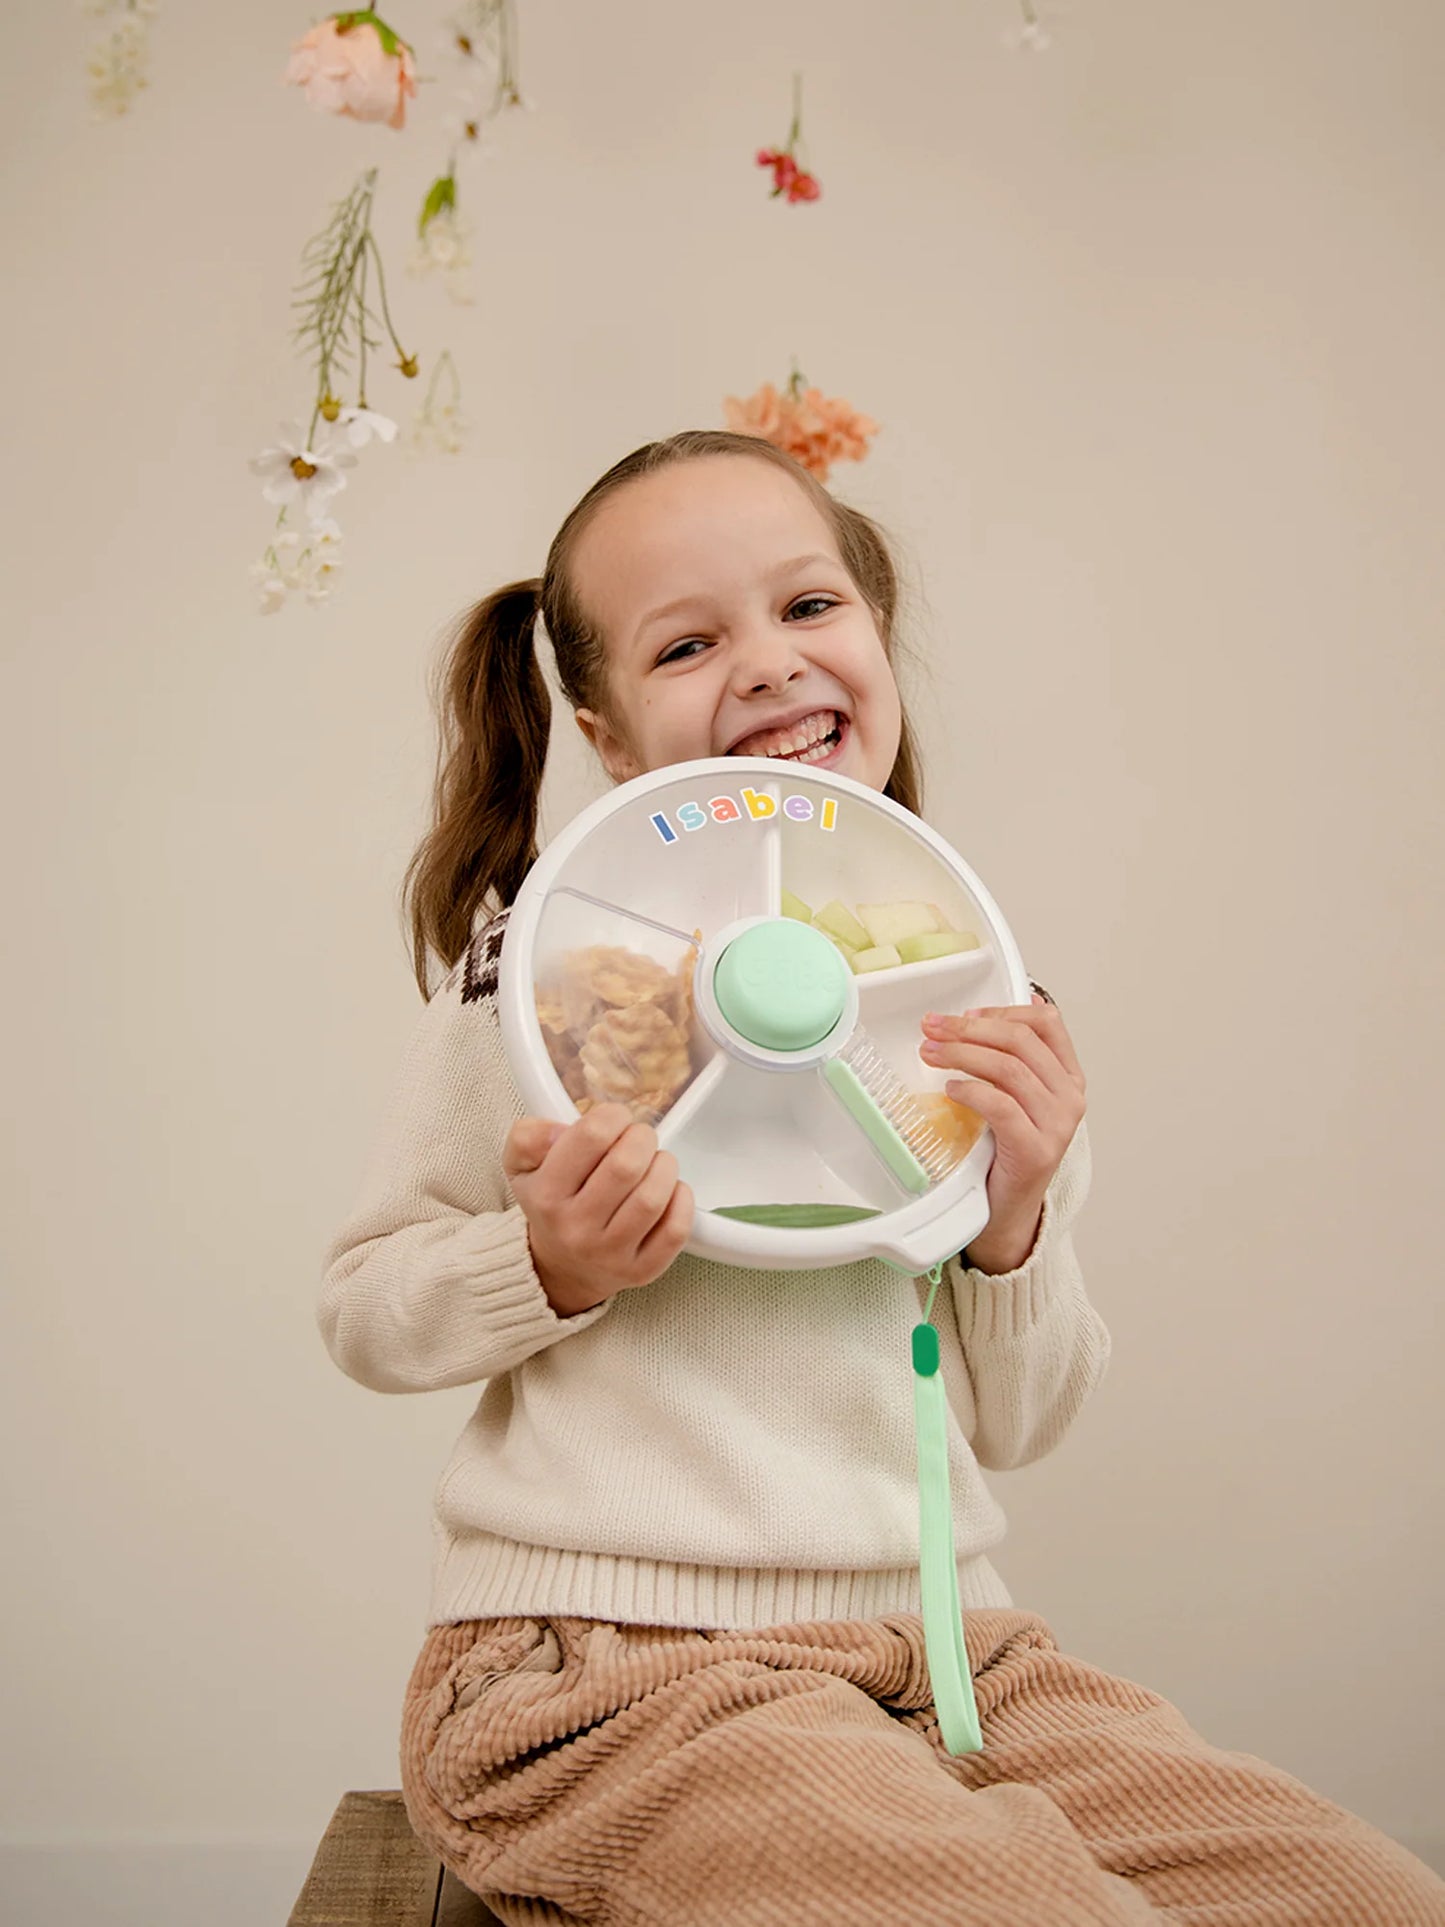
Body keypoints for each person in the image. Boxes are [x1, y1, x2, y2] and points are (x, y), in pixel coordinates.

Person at [317, 429, 1445, 1925]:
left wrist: (1013, 1223)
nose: (770, 662)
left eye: (808, 606)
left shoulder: (963, 994)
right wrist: (549, 1264)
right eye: (687, 643)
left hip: (957, 1663)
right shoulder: (554, 971)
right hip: (612, 1671)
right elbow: (367, 1309)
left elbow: (1023, 1421)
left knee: (1368, 1903)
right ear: (609, 735)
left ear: (876, 635)